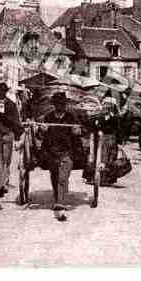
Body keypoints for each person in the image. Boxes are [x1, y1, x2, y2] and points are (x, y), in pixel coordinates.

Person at [41, 92, 82, 222]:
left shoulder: (71, 117)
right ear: (54, 105)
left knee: (63, 178)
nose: (60, 106)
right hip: (51, 152)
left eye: (62, 104)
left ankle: (60, 205)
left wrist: (77, 131)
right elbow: (41, 136)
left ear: (65, 105)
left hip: (67, 152)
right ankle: (58, 198)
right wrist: (42, 129)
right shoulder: (48, 117)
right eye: (57, 104)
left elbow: (80, 133)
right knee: (54, 176)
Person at [0, 83, 24, 187]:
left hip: (6, 134)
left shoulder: (10, 104)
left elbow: (15, 120)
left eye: (1, 91)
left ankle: (4, 181)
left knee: (5, 159)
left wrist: (18, 134)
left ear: (4, 92)